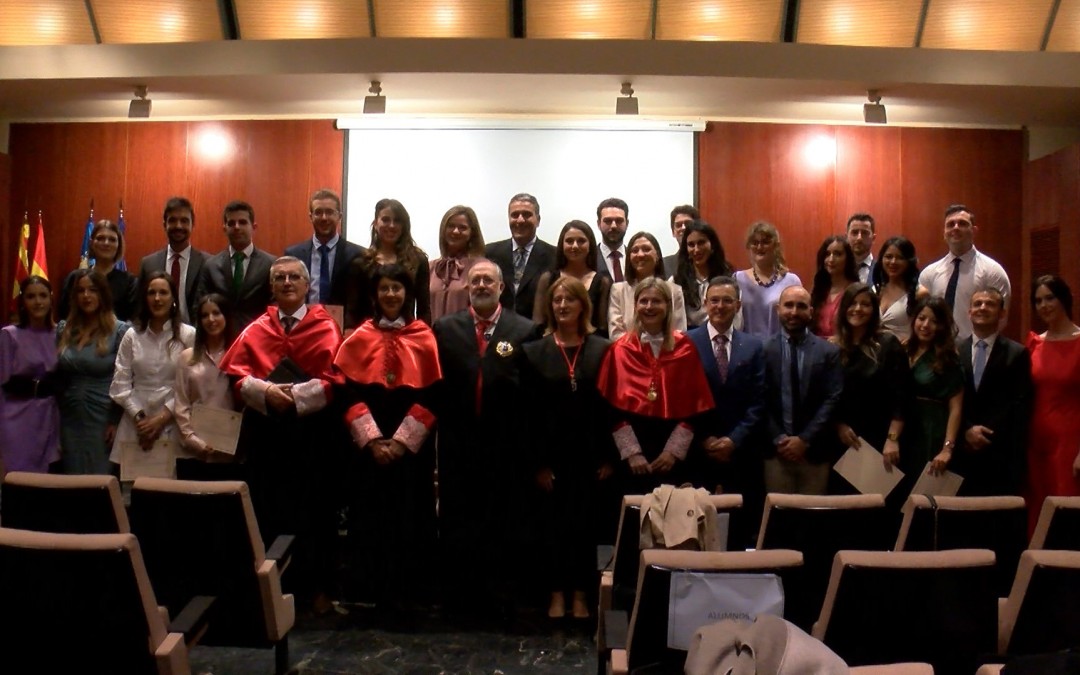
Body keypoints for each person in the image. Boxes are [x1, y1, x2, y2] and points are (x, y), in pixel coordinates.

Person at [219, 256, 344, 614]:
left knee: (314, 513)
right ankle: (272, 593)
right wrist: (267, 394)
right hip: (267, 436)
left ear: (307, 286)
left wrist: (295, 397)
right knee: (268, 511)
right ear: (271, 287)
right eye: (280, 278)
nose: (287, 282)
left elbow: (336, 380)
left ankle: (316, 591)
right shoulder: (257, 327)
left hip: (311, 438)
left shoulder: (325, 325)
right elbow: (238, 378)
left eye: (294, 277)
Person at [433, 258, 541, 618]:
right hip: (457, 444)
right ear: (467, 286)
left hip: (505, 447)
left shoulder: (525, 330)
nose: (480, 286)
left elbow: (530, 394)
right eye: (475, 280)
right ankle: (460, 597)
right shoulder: (445, 329)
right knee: (458, 519)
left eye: (487, 281)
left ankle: (501, 597)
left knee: (502, 520)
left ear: (501, 287)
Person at [335, 264, 441, 624]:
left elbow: (435, 395)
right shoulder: (359, 336)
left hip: (411, 453)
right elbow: (345, 390)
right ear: (374, 295)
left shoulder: (423, 336)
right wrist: (373, 441)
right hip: (369, 452)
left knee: (410, 518)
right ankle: (371, 595)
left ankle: (409, 595)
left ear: (407, 294)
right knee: (370, 518)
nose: (391, 295)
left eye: (397, 288)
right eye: (385, 289)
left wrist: (400, 443)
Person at [522, 276, 614, 620]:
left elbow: (609, 408)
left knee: (586, 529)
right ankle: (556, 593)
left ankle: (581, 595)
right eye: (557, 300)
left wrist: (608, 456)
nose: (562, 306)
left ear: (582, 306)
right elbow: (527, 414)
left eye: (570, 300)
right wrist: (538, 464)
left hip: (591, 459)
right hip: (551, 460)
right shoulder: (534, 352)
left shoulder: (603, 349)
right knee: (553, 530)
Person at [597, 277, 715, 495]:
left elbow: (697, 406)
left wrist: (673, 451)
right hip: (632, 461)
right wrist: (632, 453)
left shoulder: (685, 347)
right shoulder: (619, 350)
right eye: (644, 301)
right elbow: (608, 409)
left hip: (674, 458)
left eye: (656, 301)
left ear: (667, 306)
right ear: (636, 305)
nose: (649, 307)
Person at [687, 276, 765, 545]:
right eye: (714, 300)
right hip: (698, 453)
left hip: (740, 453)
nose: (720, 306)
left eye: (727, 301)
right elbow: (680, 398)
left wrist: (734, 439)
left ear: (738, 305)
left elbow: (759, 401)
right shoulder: (686, 342)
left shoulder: (754, 346)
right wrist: (703, 438)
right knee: (696, 532)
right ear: (705, 304)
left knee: (739, 532)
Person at [108, 272, 195, 477]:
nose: (157, 298)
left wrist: (161, 419)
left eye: (163, 293)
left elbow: (191, 386)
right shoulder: (132, 334)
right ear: (144, 298)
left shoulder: (188, 335)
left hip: (173, 420)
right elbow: (120, 384)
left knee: (167, 493)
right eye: (152, 293)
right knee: (132, 495)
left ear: (174, 298)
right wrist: (142, 420)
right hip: (134, 422)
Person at [762, 286, 843, 495]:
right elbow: (759, 399)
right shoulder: (763, 350)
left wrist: (804, 439)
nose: (794, 312)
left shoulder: (829, 352)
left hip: (815, 452)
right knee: (779, 520)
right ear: (778, 309)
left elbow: (833, 399)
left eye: (801, 306)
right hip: (776, 452)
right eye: (788, 305)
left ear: (811, 311)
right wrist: (780, 439)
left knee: (813, 520)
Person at [954, 287, 1031, 497]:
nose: (983, 308)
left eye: (990, 304)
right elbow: (947, 400)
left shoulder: (1017, 353)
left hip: (999, 454)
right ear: (969, 312)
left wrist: (988, 433)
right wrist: (966, 430)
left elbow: (1019, 405)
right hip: (961, 453)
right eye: (977, 304)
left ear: (1002, 313)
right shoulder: (954, 351)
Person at [829, 283, 909, 482]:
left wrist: (892, 440)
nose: (858, 309)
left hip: (880, 439)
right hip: (842, 440)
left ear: (874, 310)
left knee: (876, 505)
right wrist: (838, 426)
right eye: (853, 303)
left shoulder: (888, 344)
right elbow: (828, 397)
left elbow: (902, 398)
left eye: (865, 304)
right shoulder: (832, 348)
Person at [55, 269, 131, 474]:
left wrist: (116, 421)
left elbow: (126, 379)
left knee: (99, 481)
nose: (86, 296)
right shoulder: (64, 329)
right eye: (80, 291)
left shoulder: (120, 330)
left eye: (92, 290)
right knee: (70, 478)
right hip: (69, 416)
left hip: (103, 416)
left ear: (103, 294)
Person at [1025, 275, 1080, 531]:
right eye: (1038, 301)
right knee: (1038, 508)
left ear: (1064, 299)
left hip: (1069, 441)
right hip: (1036, 440)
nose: (1044, 305)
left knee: (1065, 505)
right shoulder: (1035, 342)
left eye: (1050, 298)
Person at [173, 293, 243, 481]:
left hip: (229, 452)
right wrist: (193, 440)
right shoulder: (187, 357)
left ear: (226, 317)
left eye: (216, 313)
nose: (211, 319)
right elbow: (181, 404)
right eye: (205, 315)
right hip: (192, 453)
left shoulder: (239, 355)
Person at [919, 204, 1011, 340]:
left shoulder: (993, 272)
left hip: (973, 352)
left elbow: (1000, 319)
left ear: (974, 230)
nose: (955, 227)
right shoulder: (929, 274)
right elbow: (920, 315)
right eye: (950, 224)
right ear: (944, 233)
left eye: (962, 223)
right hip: (936, 351)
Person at [900, 297, 964, 493]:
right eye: (922, 318)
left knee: (923, 497)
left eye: (934, 321)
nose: (926, 325)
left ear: (943, 326)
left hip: (930, 431)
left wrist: (947, 448)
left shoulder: (948, 358)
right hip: (902, 429)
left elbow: (956, 408)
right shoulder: (903, 349)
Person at [0, 276, 60, 475]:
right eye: (31, 296)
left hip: (49, 417)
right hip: (17, 418)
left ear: (51, 300)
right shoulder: (9, 335)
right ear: (22, 302)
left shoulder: (59, 333)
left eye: (43, 296)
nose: (38, 302)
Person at [284, 188, 366, 327]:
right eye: (318, 212)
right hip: (302, 328)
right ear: (311, 216)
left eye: (329, 212)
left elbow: (361, 301)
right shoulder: (294, 255)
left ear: (339, 216)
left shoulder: (358, 255)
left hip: (344, 331)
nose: (324, 218)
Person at [346, 198, 430, 326]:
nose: (391, 225)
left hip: (407, 335)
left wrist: (424, 336)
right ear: (375, 223)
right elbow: (353, 309)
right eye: (385, 220)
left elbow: (424, 308)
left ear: (404, 225)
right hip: (369, 337)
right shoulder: (361, 262)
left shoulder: (418, 260)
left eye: (397, 221)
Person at [194, 200, 276, 330]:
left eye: (242, 222)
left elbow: (275, 306)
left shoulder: (271, 264)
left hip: (258, 337)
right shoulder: (211, 266)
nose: (236, 227)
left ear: (254, 227)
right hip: (221, 338)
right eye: (231, 223)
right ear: (224, 228)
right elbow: (200, 306)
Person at [532, 220, 612, 337]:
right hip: (552, 347)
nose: (575, 246)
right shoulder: (547, 279)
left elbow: (603, 326)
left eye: (581, 241)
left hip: (590, 348)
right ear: (561, 245)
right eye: (569, 241)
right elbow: (538, 323)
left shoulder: (602, 282)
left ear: (590, 245)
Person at [485, 193, 558, 320]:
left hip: (538, 333)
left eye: (527, 214)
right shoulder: (490, 253)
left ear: (538, 220)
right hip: (499, 331)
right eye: (514, 215)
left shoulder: (555, 256)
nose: (520, 220)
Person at [137, 196, 208, 324]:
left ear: (193, 225)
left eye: (184, 221)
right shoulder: (148, 264)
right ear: (165, 225)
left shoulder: (208, 263)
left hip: (195, 337)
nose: (178, 226)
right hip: (157, 335)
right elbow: (139, 308)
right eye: (173, 220)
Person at [608, 231, 687, 339]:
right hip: (629, 353)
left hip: (667, 353)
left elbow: (679, 331)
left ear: (658, 255)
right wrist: (640, 351)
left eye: (646, 249)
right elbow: (616, 334)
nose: (640, 255)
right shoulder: (618, 290)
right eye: (635, 251)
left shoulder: (674, 290)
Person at [58, 219, 138, 321]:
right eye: (100, 238)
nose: (106, 243)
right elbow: (64, 316)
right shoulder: (74, 278)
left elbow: (133, 321)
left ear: (119, 245)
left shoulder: (129, 282)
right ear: (91, 243)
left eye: (112, 239)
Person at [734, 221, 803, 338]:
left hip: (780, 349)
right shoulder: (737, 279)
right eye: (755, 243)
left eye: (765, 242)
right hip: (747, 349)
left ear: (775, 245)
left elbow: (800, 318)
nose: (760, 247)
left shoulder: (791, 281)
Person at [430, 205, 486, 322]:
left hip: (465, 337)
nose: (456, 231)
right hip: (430, 337)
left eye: (462, 228)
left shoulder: (481, 268)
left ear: (472, 233)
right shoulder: (430, 268)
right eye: (451, 226)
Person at [674, 220, 732, 329]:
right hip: (687, 341)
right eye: (691, 245)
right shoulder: (676, 281)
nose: (696, 250)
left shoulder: (729, 277)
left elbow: (737, 320)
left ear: (712, 245)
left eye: (701, 243)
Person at [871, 236, 928, 343]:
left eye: (900, 258)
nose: (893, 262)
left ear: (909, 261)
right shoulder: (876, 290)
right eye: (888, 256)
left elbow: (926, 329)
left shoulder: (919, 293)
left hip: (906, 355)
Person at [810, 235, 858, 338]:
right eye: (827, 254)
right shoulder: (819, 290)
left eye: (837, 254)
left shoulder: (855, 290)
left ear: (847, 258)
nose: (831, 259)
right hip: (818, 349)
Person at [595, 197, 629, 281]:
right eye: (607, 221)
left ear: (627, 224)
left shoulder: (635, 259)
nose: (613, 226)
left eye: (619, 221)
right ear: (598, 224)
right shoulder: (588, 260)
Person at [661, 205, 698, 275]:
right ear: (673, 232)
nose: (683, 228)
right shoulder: (664, 265)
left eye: (688, 223)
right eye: (678, 225)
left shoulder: (711, 263)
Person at [845, 213, 876, 283]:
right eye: (854, 232)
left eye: (865, 233)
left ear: (873, 238)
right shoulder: (838, 270)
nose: (859, 238)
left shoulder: (882, 270)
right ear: (846, 237)